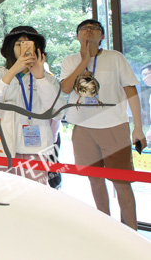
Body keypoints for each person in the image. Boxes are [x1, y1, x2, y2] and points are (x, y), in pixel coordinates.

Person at [60, 19, 147, 229]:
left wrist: (138, 127)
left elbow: (131, 91)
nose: (88, 31)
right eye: (84, 29)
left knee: (121, 182)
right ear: (78, 36)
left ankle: (131, 231)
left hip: (114, 125)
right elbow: (66, 88)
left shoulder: (115, 57)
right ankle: (106, 229)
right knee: (95, 180)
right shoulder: (70, 60)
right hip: (82, 127)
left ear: (102, 36)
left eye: (94, 28)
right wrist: (84, 60)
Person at [0, 26, 62, 183]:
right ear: (10, 48)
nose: (24, 49)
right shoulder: (0, 73)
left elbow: (58, 112)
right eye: (19, 44)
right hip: (1, 148)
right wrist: (12, 71)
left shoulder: (47, 78)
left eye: (29, 44)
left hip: (36, 149)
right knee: (1, 193)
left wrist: (40, 78)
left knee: (33, 193)